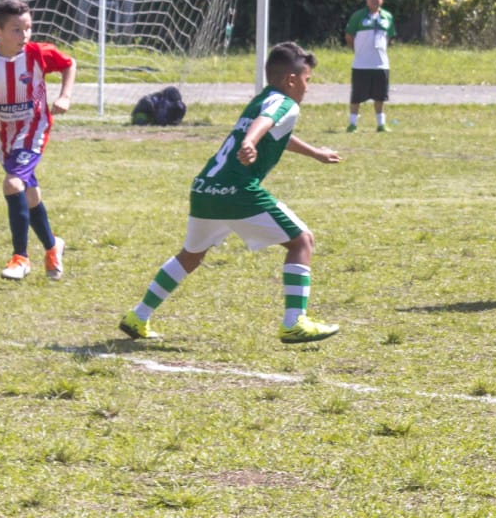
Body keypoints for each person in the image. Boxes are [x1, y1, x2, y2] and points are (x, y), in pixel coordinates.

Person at [119, 41, 342, 344]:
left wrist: (315, 153)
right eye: (307, 80)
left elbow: (275, 132)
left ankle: (138, 315)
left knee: (190, 256)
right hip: (236, 190)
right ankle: (294, 321)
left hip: (204, 188)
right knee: (301, 241)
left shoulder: (262, 99)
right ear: (291, 80)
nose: (307, 87)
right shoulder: (285, 103)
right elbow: (265, 125)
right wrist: (250, 142)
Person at [0, 0, 76, 281]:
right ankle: (53, 247)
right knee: (28, 193)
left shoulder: (37, 53)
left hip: (33, 128)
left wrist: (64, 96)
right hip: (2, 136)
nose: (24, 35)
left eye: (27, 28)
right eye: (16, 29)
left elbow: (69, 64)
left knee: (12, 183)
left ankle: (20, 258)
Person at [345, 0, 395, 132]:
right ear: (367, 0)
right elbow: (349, 36)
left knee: (380, 96)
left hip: (381, 64)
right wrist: (357, 50)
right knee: (357, 96)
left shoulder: (387, 17)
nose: (374, 0)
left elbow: (389, 37)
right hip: (361, 64)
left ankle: (381, 124)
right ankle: (352, 124)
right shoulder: (358, 16)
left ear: (382, 0)